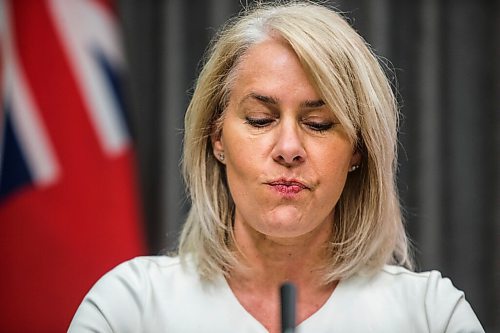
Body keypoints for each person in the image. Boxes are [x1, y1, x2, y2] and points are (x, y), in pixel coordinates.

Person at [69, 2, 484, 332]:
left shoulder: (433, 316)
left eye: (318, 124)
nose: (288, 149)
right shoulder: (129, 307)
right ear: (217, 140)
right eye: (260, 119)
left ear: (358, 148)